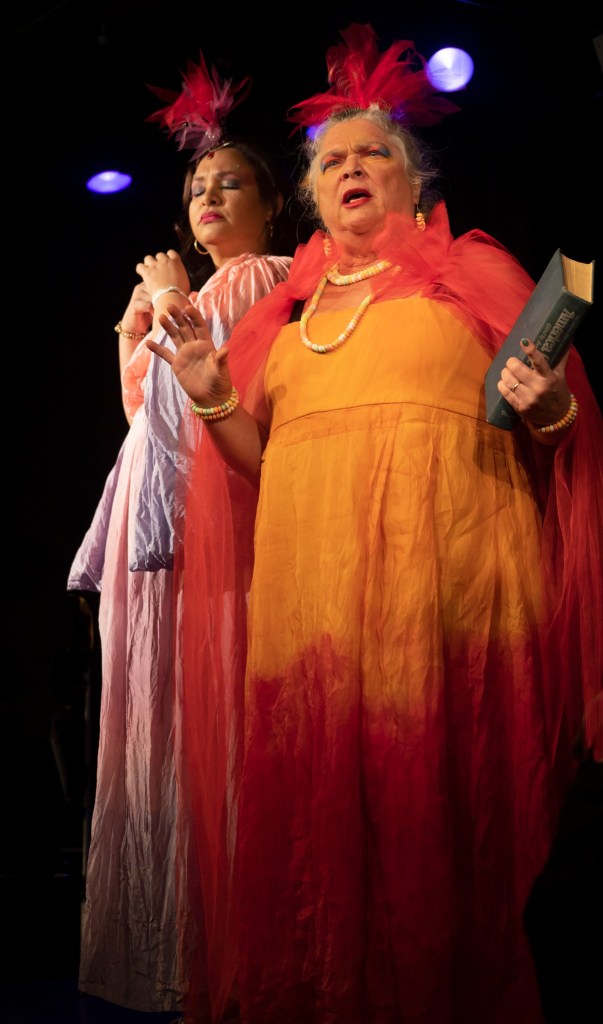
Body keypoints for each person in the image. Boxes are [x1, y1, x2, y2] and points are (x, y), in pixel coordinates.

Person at [146, 23, 603, 1024]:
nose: (350, 168)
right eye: (331, 161)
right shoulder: (287, 316)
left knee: (439, 828)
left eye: (372, 154)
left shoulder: (476, 280)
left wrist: (550, 408)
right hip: (317, 620)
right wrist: (212, 392)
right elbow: (261, 468)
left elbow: (557, 432)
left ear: (414, 180)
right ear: (313, 197)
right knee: (322, 833)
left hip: (446, 612)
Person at [66, 53, 298, 1014]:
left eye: (229, 183)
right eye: (198, 186)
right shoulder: (208, 288)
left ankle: (231, 951)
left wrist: (169, 302)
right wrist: (138, 329)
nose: (208, 196)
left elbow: (208, 402)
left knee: (210, 716)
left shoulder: (258, 277)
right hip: (157, 533)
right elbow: (145, 426)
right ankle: (184, 949)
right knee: (163, 721)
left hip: (211, 527)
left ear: (271, 205)